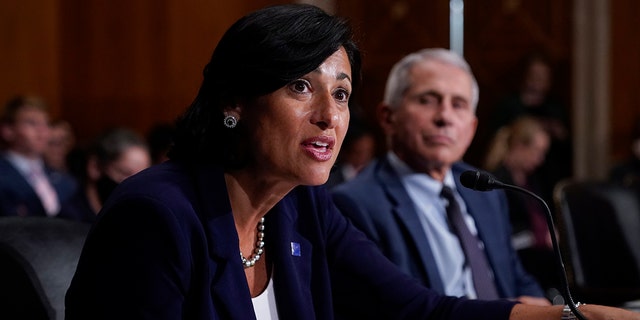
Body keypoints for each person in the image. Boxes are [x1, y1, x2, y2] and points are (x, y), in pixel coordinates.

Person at [64, 4, 640, 320]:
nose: (329, 116)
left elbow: (418, 311)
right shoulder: (156, 215)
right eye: (299, 87)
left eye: (340, 93)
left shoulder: (301, 208)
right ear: (233, 101)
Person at [331, 48, 549, 304]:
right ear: (388, 118)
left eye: (458, 104)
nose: (445, 117)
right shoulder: (355, 205)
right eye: (427, 100)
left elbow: (515, 278)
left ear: (471, 128)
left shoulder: (486, 190)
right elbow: (394, 310)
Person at [483, 116, 558, 293]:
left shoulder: (532, 180)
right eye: (537, 151)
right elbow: (500, 234)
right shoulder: (495, 181)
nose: (540, 160)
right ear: (518, 146)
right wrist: (539, 236)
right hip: (519, 259)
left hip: (538, 255)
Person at [490, 52, 572, 202]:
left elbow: (566, 144)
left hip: (546, 178)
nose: (538, 80)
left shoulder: (555, 108)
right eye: (535, 75)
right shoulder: (509, 105)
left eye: (543, 76)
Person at [0, 95, 76, 217]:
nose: (42, 131)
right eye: (32, 123)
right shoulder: (3, 175)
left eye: (46, 123)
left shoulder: (63, 179)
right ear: (8, 130)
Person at [58, 127, 152, 223]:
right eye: (126, 173)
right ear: (95, 167)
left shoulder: (134, 221)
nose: (136, 185)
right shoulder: (69, 218)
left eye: (142, 177)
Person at [324, 116, 376, 188]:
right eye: (358, 153)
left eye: (369, 151)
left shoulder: (376, 174)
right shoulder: (329, 180)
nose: (364, 157)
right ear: (344, 152)